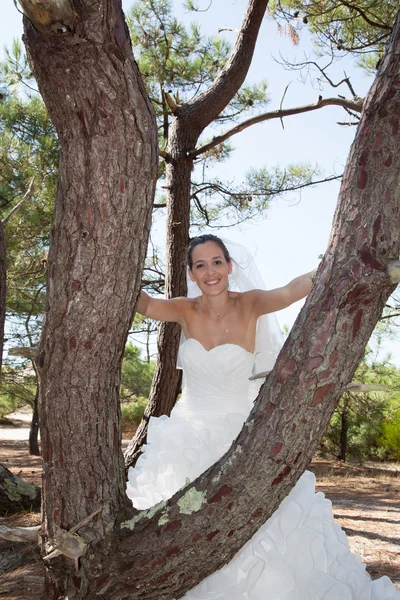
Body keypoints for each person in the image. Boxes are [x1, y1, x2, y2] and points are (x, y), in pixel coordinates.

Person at [127, 234, 399, 600]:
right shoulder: (183, 309)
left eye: (217, 262)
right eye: (201, 265)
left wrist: (333, 262)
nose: (211, 272)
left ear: (230, 266)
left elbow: (289, 291)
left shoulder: (251, 304)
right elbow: (141, 303)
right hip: (185, 434)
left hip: (240, 436)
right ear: (191, 273)